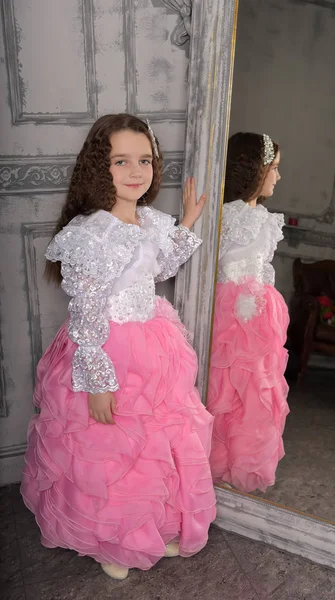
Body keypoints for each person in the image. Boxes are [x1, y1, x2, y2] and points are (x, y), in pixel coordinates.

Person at [21, 113, 216, 580]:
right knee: (109, 447)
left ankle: (145, 529)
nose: (136, 172)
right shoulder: (93, 233)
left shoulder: (149, 220)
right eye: (121, 161)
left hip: (153, 339)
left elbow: (160, 267)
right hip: (107, 348)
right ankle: (111, 537)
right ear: (98, 168)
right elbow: (87, 312)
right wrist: (96, 380)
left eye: (144, 160)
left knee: (153, 442)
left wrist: (185, 223)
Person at [207, 131, 289, 494]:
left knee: (247, 393)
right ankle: (219, 466)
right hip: (233, 318)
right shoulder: (235, 216)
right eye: (275, 168)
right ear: (256, 170)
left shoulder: (263, 219)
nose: (278, 176)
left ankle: (229, 467)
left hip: (255, 321)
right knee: (230, 391)